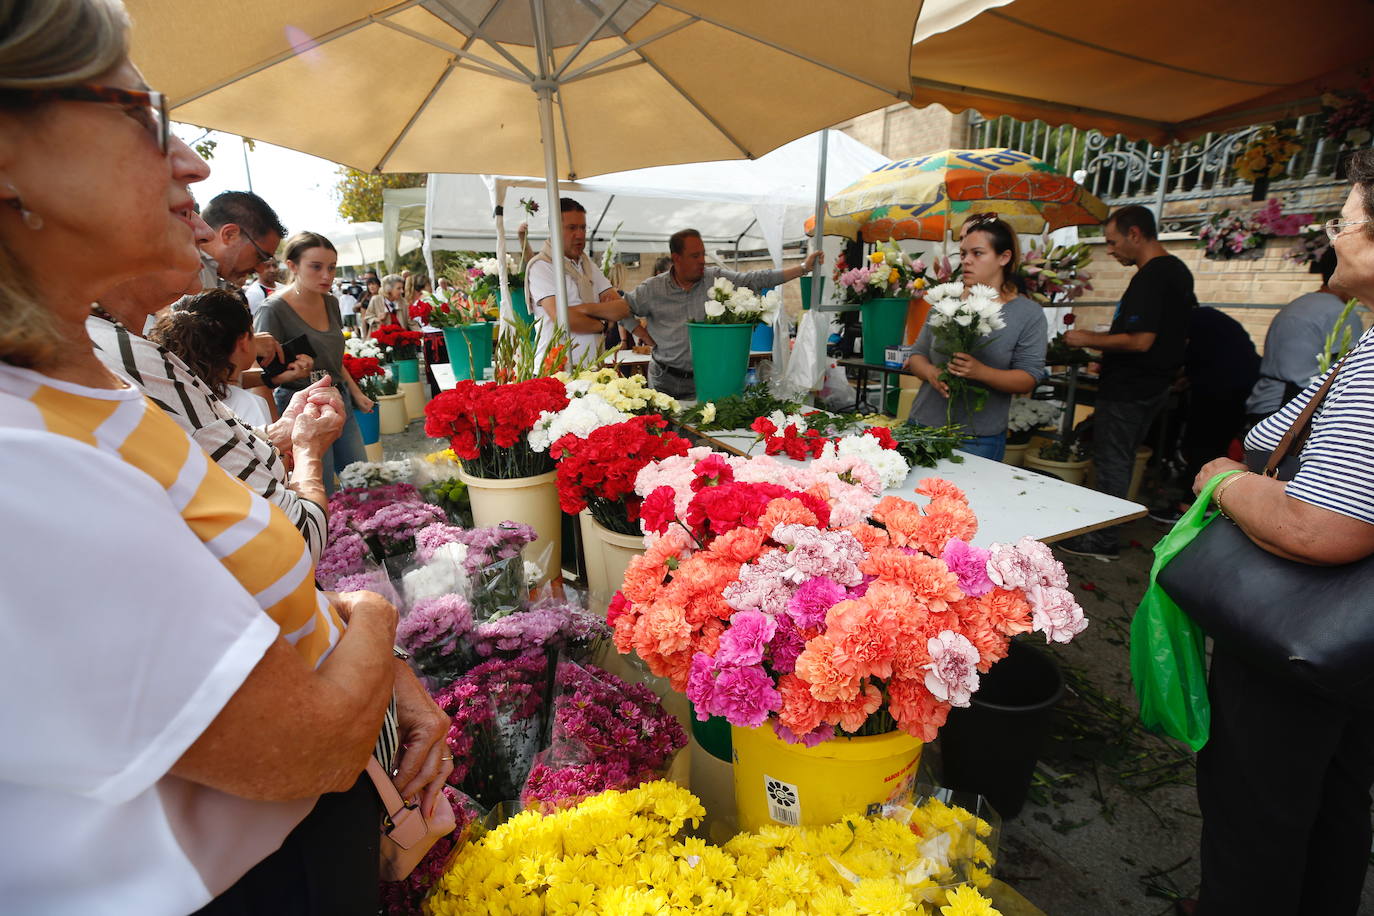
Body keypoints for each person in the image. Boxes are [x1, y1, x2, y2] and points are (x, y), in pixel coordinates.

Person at [0, 3, 449, 913]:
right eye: (138, 114)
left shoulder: (89, 391)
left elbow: (234, 589)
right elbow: (309, 743)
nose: (194, 162)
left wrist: (381, 671)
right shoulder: (21, 459)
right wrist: (370, 618)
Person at [1178, 148, 1374, 916]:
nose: (1334, 236)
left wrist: (1223, 483)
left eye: (1347, 220)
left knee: (1255, 820)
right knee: (1331, 803)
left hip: (1301, 634)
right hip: (1352, 644)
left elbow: (1322, 525)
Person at [1058, 204, 1196, 560]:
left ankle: (1103, 541)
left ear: (1134, 234)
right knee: (1120, 459)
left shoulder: (1153, 276)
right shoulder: (1177, 271)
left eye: (1112, 241)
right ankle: (1106, 532)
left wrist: (1086, 337)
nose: (1110, 249)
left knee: (1112, 462)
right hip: (1154, 384)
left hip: (1131, 388)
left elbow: (1140, 340)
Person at [905, 214, 1047, 461]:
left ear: (1004, 257)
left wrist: (981, 372)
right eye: (963, 254)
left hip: (977, 438)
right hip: (923, 425)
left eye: (977, 254)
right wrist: (932, 374)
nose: (967, 261)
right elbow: (917, 355)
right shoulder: (946, 302)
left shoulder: (1027, 314)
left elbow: (1028, 377)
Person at [620, 227, 821, 398]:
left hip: (705, 381)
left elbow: (756, 279)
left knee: (697, 440)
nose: (702, 260)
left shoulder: (715, 279)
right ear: (676, 258)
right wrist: (638, 331)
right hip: (664, 381)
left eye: (703, 254)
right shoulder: (652, 289)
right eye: (695, 255)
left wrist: (803, 268)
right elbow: (621, 308)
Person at [256, 232, 373, 494]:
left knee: (360, 477)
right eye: (316, 267)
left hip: (338, 398)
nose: (327, 276)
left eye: (331, 267)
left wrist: (355, 393)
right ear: (292, 266)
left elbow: (334, 358)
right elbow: (257, 375)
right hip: (299, 406)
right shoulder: (272, 309)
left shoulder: (331, 302)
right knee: (318, 487)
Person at [1246, 247, 1362, 421]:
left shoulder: (1299, 303)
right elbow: (1351, 371)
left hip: (1265, 399)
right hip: (1292, 407)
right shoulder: (1339, 312)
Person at [526, 198, 632, 368]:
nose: (580, 234)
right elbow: (563, 319)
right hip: (557, 370)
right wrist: (603, 323)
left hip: (593, 366)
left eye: (583, 227)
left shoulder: (587, 265)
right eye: (572, 228)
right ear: (554, 230)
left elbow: (621, 308)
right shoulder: (542, 266)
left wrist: (584, 309)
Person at [361, 272, 418, 337]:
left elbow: (411, 323)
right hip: (380, 338)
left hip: (400, 339)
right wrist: (377, 319)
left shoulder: (404, 303)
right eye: (398, 288)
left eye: (402, 288)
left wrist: (421, 335)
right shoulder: (376, 300)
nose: (402, 291)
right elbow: (368, 317)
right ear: (389, 289)